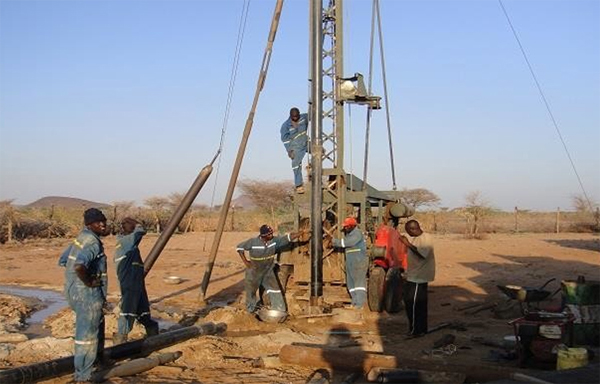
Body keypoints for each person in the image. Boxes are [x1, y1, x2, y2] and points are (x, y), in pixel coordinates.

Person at [61, 208, 108, 383]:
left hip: (73, 291)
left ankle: (99, 361)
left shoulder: (80, 238)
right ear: (89, 224)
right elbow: (79, 266)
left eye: (104, 221)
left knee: (96, 326)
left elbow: (64, 260)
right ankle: (83, 375)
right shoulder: (93, 242)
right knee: (87, 335)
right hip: (87, 295)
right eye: (98, 222)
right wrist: (89, 281)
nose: (102, 224)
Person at [112, 218, 159, 345]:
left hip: (137, 282)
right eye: (130, 226)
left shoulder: (130, 245)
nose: (133, 227)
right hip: (129, 283)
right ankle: (120, 342)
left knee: (143, 309)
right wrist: (137, 223)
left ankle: (152, 333)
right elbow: (140, 231)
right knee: (127, 310)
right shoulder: (125, 242)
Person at [237, 224, 298, 313]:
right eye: (269, 234)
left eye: (272, 233)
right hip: (254, 271)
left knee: (275, 290)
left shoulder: (274, 241)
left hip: (268, 271)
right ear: (263, 235)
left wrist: (301, 233)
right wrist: (246, 262)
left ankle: (279, 310)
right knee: (251, 292)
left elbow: (287, 238)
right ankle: (250, 311)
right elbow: (239, 247)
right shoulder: (253, 242)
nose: (271, 235)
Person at [400, 219, 436, 336]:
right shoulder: (417, 238)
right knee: (418, 304)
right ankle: (421, 329)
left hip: (419, 277)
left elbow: (422, 254)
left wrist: (408, 244)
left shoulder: (426, 238)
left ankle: (415, 330)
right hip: (414, 275)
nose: (408, 234)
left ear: (413, 228)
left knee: (413, 305)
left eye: (408, 231)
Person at [332, 217, 368, 309]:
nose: (345, 228)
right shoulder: (349, 234)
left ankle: (359, 304)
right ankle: (354, 302)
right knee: (351, 283)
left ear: (353, 226)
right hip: (351, 262)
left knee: (359, 283)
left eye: (347, 227)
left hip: (359, 262)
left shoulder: (357, 234)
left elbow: (347, 243)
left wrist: (334, 241)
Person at [280, 107, 309, 194]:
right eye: (294, 117)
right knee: (295, 165)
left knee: (319, 152)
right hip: (296, 147)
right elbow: (285, 139)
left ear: (299, 114)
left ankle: (315, 176)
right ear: (290, 116)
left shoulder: (304, 117)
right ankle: (299, 185)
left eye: (297, 117)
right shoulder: (285, 125)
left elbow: (314, 115)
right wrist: (289, 150)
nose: (296, 118)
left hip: (306, 142)